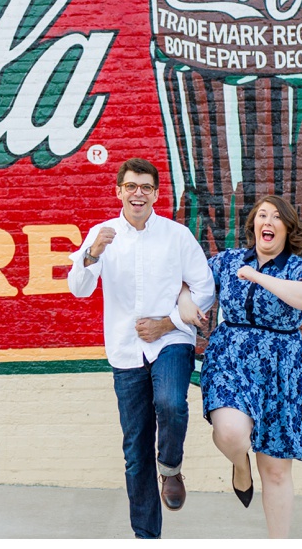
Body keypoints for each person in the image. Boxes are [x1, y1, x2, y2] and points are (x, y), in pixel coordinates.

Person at [67, 157, 215, 540]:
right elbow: (79, 288)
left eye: (145, 187)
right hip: (124, 350)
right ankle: (146, 537)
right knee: (135, 452)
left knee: (170, 403)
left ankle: (170, 467)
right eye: (131, 186)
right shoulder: (102, 233)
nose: (138, 193)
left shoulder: (176, 235)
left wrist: (167, 323)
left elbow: (205, 288)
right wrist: (91, 254)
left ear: (155, 193)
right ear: (119, 191)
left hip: (171, 341)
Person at [183, 194, 302, 539]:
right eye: (262, 215)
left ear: (287, 229)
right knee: (230, 432)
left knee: (275, 471)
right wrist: (185, 301)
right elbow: (189, 280)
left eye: (277, 217)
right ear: (254, 226)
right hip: (232, 357)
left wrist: (259, 277)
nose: (268, 222)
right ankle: (239, 464)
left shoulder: (299, 268)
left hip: (281, 369)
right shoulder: (229, 260)